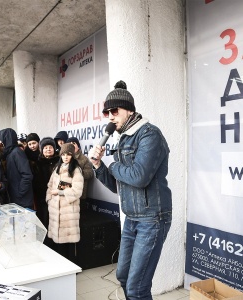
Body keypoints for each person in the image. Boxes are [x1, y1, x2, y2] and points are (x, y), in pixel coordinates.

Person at [88, 80, 172, 300]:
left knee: (137, 287)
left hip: (152, 219)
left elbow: (139, 177)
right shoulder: (123, 138)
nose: (110, 116)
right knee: (123, 276)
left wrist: (113, 165)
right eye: (106, 113)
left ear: (129, 110)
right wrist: (99, 166)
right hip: (132, 218)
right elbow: (118, 186)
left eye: (113, 111)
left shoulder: (149, 134)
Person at [46, 143, 84, 262]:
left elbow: (77, 191)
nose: (66, 157)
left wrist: (61, 192)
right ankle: (60, 267)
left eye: (68, 154)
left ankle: (71, 268)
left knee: (69, 243)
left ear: (72, 155)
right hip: (55, 209)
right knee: (57, 243)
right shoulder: (57, 169)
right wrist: (49, 199)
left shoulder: (76, 170)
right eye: (63, 154)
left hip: (68, 210)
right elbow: (50, 185)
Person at [0, 128, 34, 209]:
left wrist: (20, 192)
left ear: (7, 139)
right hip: (17, 199)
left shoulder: (17, 152)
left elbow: (27, 175)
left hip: (22, 200)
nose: (1, 143)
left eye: (2, 140)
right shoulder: (10, 153)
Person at [33, 137, 59, 230]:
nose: (48, 149)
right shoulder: (37, 163)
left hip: (57, 198)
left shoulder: (60, 162)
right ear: (41, 150)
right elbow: (35, 182)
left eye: (50, 147)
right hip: (42, 199)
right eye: (45, 147)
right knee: (44, 222)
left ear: (54, 149)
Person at [66, 137, 94, 208]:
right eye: (69, 144)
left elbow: (90, 173)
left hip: (79, 195)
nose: (72, 145)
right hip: (66, 194)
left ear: (78, 146)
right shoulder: (63, 158)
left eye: (74, 143)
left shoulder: (84, 159)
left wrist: (77, 173)